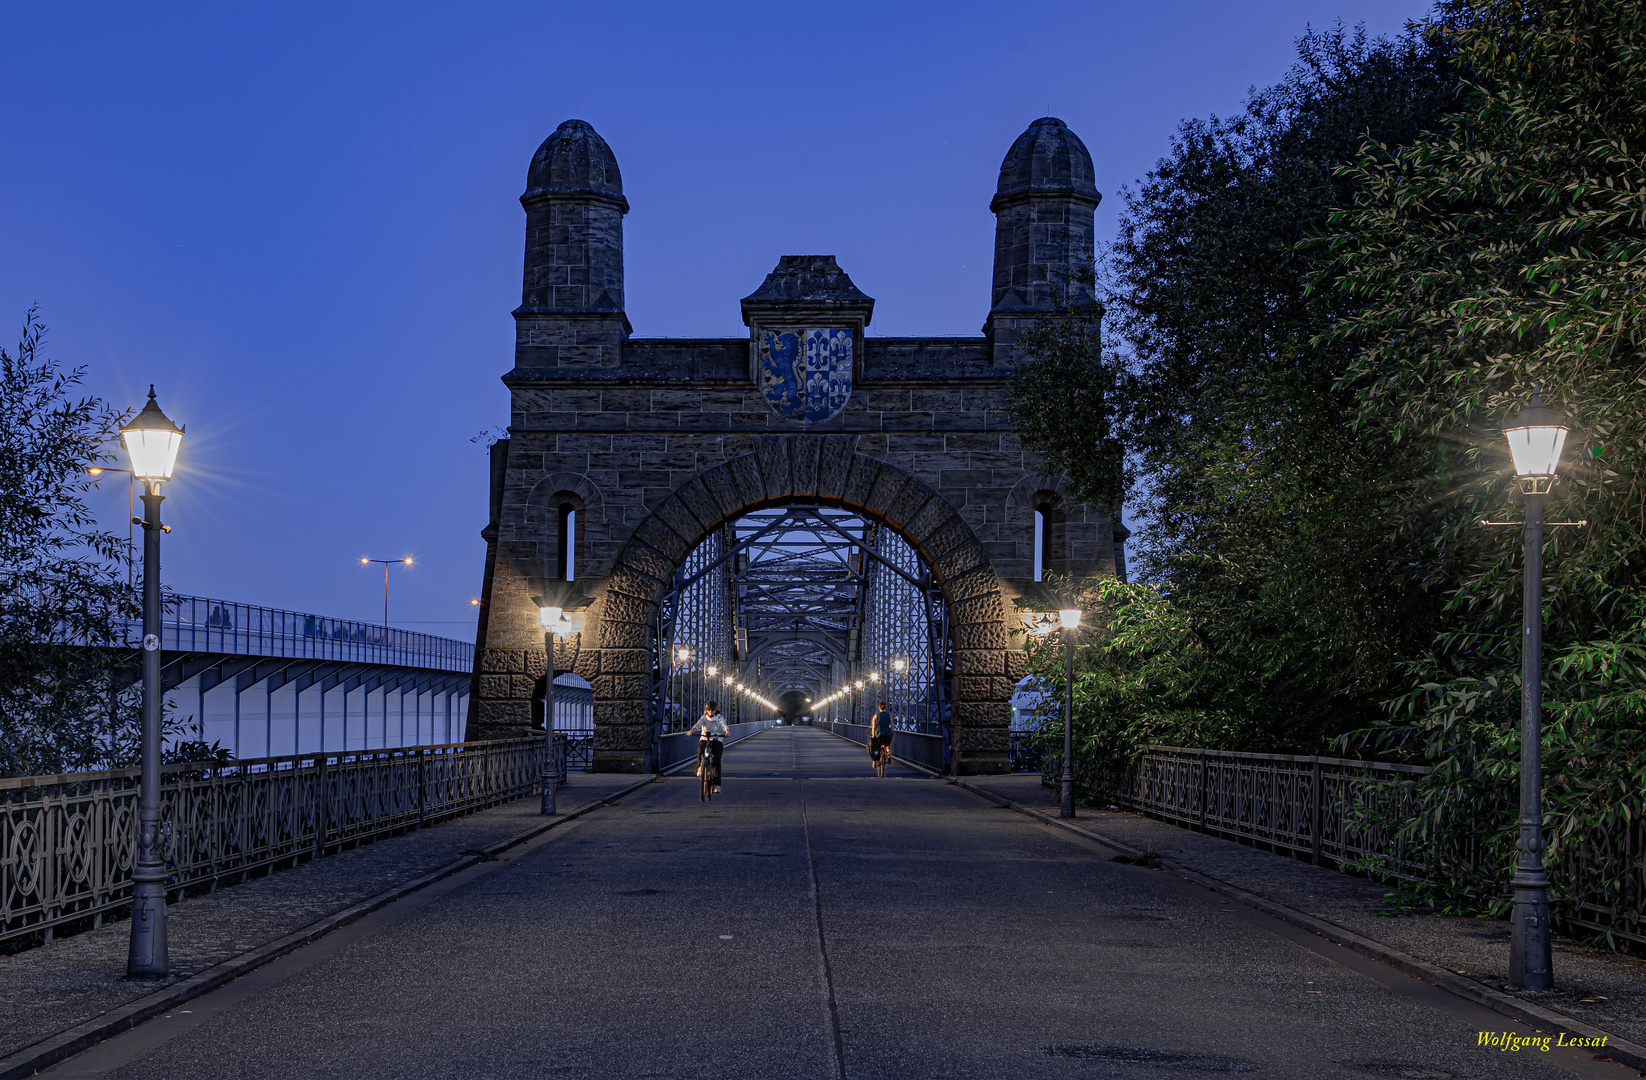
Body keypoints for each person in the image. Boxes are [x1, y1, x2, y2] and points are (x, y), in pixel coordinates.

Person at [688, 702, 730, 793]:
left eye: (713, 709)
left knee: (716, 761)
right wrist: (691, 731)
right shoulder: (704, 717)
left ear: (716, 710)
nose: (711, 711)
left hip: (717, 739)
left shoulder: (719, 717)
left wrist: (727, 732)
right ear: (706, 710)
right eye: (709, 709)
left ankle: (717, 785)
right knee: (700, 750)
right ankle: (699, 767)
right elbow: (697, 725)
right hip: (705, 737)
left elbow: (724, 725)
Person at [868, 701, 893, 777]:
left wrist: (873, 736)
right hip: (887, 733)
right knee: (888, 743)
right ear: (885, 708)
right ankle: (888, 754)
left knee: (874, 746)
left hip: (878, 733)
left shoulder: (876, 715)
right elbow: (891, 725)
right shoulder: (889, 715)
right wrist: (891, 731)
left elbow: (873, 727)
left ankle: (874, 761)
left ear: (878, 708)